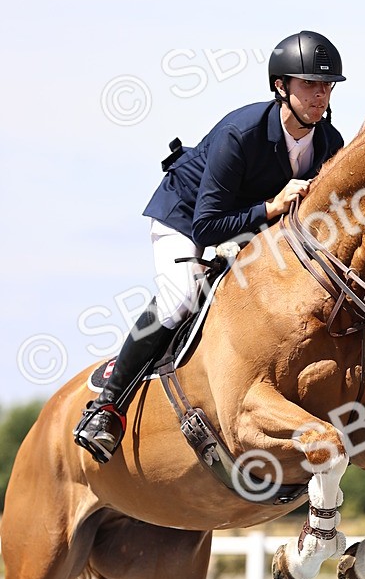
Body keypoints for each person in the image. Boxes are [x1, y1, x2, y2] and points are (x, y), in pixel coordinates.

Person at [74, 30, 346, 464]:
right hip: (185, 218)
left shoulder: (330, 143)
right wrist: (270, 208)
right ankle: (106, 406)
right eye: (309, 84)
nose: (320, 95)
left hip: (248, 227)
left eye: (327, 85)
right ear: (281, 86)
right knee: (183, 294)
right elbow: (206, 227)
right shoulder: (242, 134)